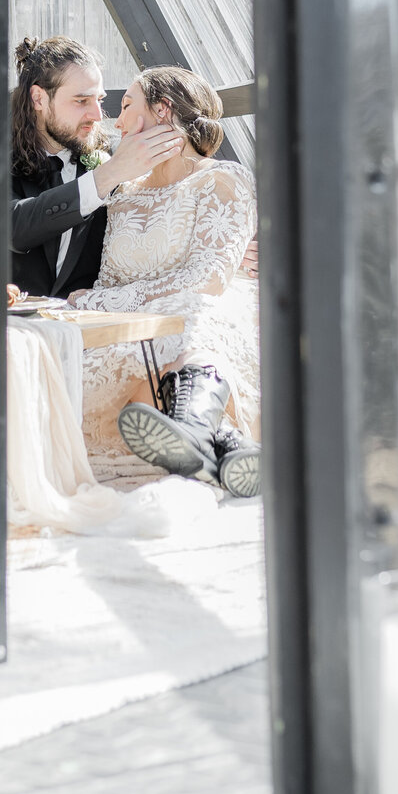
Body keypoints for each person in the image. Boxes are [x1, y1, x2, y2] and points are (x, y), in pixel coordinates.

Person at [72, 67, 261, 499]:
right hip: (141, 331)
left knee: (192, 314)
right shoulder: (123, 195)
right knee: (145, 363)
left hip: (207, 320)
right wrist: (100, 300)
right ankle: (221, 443)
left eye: (125, 106)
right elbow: (109, 278)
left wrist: (99, 302)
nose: (115, 122)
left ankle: (193, 429)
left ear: (163, 109)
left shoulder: (223, 179)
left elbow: (207, 279)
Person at [9, 35, 182, 299]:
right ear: (39, 99)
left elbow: (162, 224)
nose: (98, 116)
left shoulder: (118, 155)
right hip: (13, 329)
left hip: (92, 325)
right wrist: (108, 174)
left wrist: (222, 245)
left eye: (99, 100)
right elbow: (11, 227)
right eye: (81, 101)